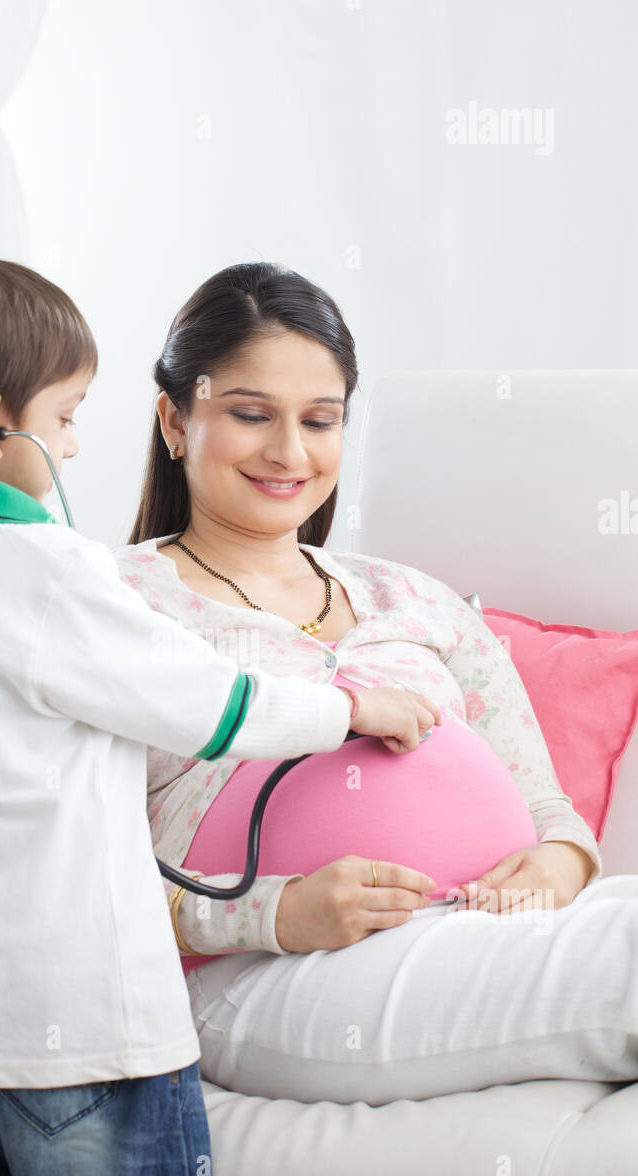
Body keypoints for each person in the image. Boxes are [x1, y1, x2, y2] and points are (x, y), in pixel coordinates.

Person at [0, 249, 427, 1176]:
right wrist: (349, 707)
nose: (72, 441)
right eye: (64, 417)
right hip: (90, 1026)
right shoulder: (50, 569)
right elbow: (210, 701)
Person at [116, 260, 638, 1107]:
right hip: (269, 969)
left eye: (320, 421)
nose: (290, 452)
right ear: (176, 420)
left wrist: (555, 867)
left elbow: (552, 816)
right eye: (252, 414)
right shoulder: (111, 607)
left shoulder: (417, 598)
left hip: (481, 931)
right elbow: (70, 874)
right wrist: (274, 915)